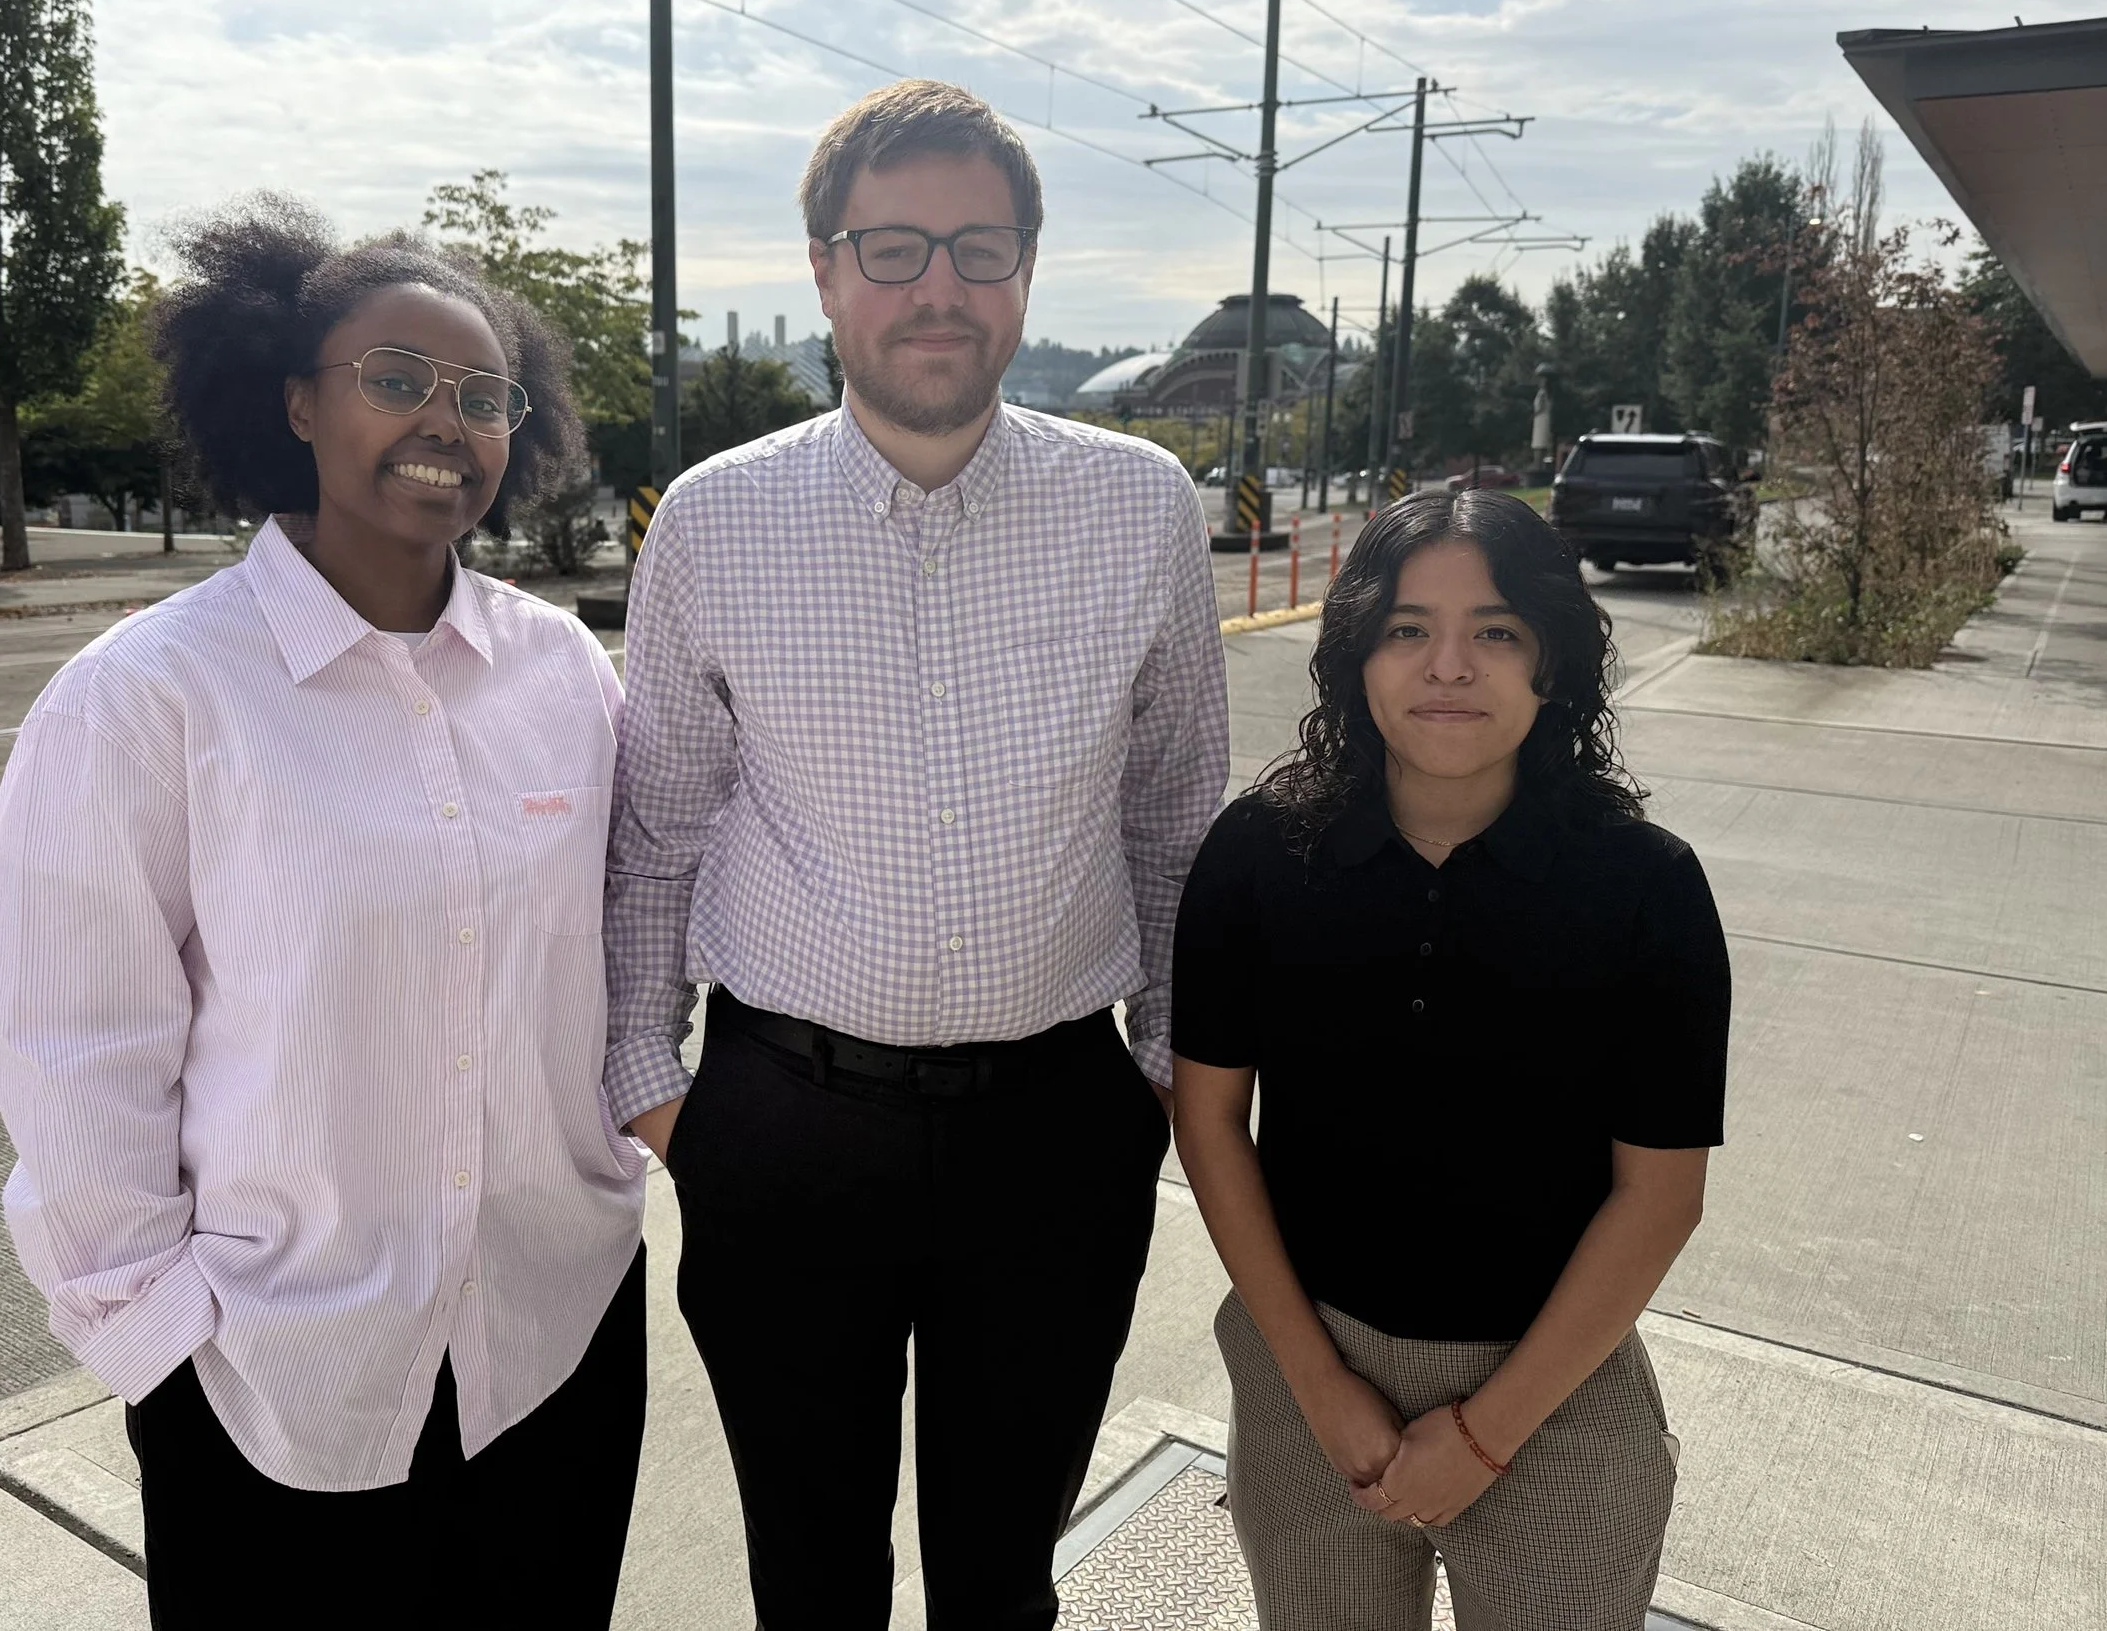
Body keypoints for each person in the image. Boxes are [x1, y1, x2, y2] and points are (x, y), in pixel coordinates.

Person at [605, 79, 1229, 1630]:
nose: (937, 285)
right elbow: (659, 825)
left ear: (1026, 271)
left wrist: (1158, 1071)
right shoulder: (712, 522)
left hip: (1054, 1133)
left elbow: (1173, 819)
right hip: (778, 1129)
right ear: (824, 269)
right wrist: (650, 1079)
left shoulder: (1141, 509)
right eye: (892, 247)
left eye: (978, 245)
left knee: (1002, 1580)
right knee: (811, 1580)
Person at [0, 198, 648, 1627]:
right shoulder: (149, 692)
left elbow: (626, 942)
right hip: (278, 1377)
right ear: (293, 400)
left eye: (484, 397)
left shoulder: (565, 675)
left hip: (554, 1337)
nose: (445, 422)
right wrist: (165, 1346)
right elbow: (75, 1054)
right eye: (396, 378)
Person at [1172, 488, 1730, 1631]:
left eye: (1497, 631)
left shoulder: (1643, 887)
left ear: (1553, 661)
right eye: (1407, 629)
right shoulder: (1259, 855)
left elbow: (1659, 1195)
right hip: (1309, 1369)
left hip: (1557, 1386)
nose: (1449, 667)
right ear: (1356, 656)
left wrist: (1484, 1435)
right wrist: (1321, 1390)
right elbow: (1211, 1123)